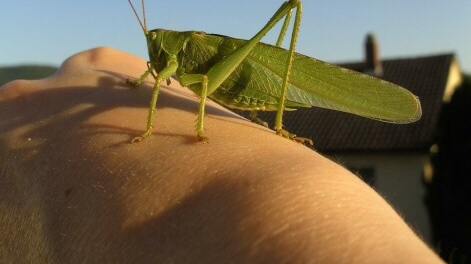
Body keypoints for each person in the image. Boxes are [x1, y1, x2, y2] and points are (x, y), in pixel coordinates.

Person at [0, 47, 443, 263]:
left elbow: (177, 81)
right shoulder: (166, 54)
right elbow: (158, 76)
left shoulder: (184, 48)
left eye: (155, 48)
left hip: (241, 78)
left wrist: (151, 128)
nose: (154, 54)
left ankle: (283, 121)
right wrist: (140, 81)